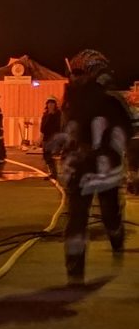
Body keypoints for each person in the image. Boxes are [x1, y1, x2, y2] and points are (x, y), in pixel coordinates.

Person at [58, 49, 132, 285]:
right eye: (75, 73)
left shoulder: (108, 99)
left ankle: (114, 237)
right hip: (87, 167)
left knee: (102, 213)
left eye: (80, 72)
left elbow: (126, 131)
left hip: (101, 166)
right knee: (79, 218)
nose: (75, 77)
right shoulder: (73, 98)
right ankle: (75, 270)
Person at [40, 96, 62, 179]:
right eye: (49, 103)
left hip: (54, 138)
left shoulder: (58, 115)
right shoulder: (45, 115)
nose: (50, 105)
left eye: (52, 103)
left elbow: (58, 126)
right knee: (46, 156)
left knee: (53, 155)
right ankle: (52, 172)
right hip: (46, 138)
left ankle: (54, 172)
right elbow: (42, 128)